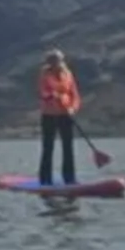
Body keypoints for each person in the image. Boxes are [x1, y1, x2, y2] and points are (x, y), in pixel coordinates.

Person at [38, 47, 82, 186]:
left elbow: (74, 95)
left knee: (68, 147)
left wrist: (72, 108)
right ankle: (45, 180)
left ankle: (69, 178)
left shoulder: (68, 74)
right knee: (48, 147)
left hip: (65, 114)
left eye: (57, 61)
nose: (55, 64)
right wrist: (51, 95)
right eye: (52, 61)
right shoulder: (44, 75)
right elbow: (42, 92)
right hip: (49, 115)